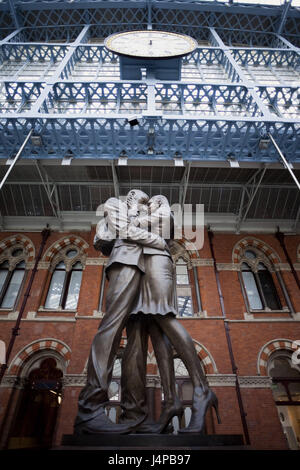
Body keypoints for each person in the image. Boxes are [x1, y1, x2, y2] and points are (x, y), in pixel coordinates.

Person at [119, 195, 221, 434]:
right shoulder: (151, 216)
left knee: (165, 318)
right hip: (145, 268)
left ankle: (201, 389)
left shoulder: (164, 213)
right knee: (156, 330)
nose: (148, 204)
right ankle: (171, 401)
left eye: (151, 201)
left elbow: (129, 228)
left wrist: (134, 211)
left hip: (157, 266)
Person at [74, 190, 169, 434]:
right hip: (124, 264)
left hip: (144, 270)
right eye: (143, 200)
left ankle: (134, 415)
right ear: (131, 196)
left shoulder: (144, 214)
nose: (146, 204)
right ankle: (90, 409)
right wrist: (158, 241)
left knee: (137, 343)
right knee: (111, 328)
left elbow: (163, 226)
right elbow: (126, 231)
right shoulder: (115, 204)